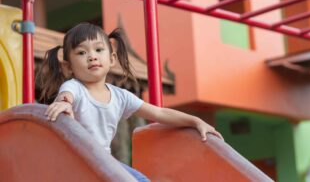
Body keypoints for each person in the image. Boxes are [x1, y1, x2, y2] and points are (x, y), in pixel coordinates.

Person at [38, 22, 224, 182]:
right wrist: (63, 103)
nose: (92, 56)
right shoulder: (74, 88)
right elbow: (67, 96)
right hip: (77, 161)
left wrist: (195, 121)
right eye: (81, 52)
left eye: (98, 49)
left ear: (111, 59)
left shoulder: (121, 96)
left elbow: (159, 113)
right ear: (68, 67)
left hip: (104, 161)